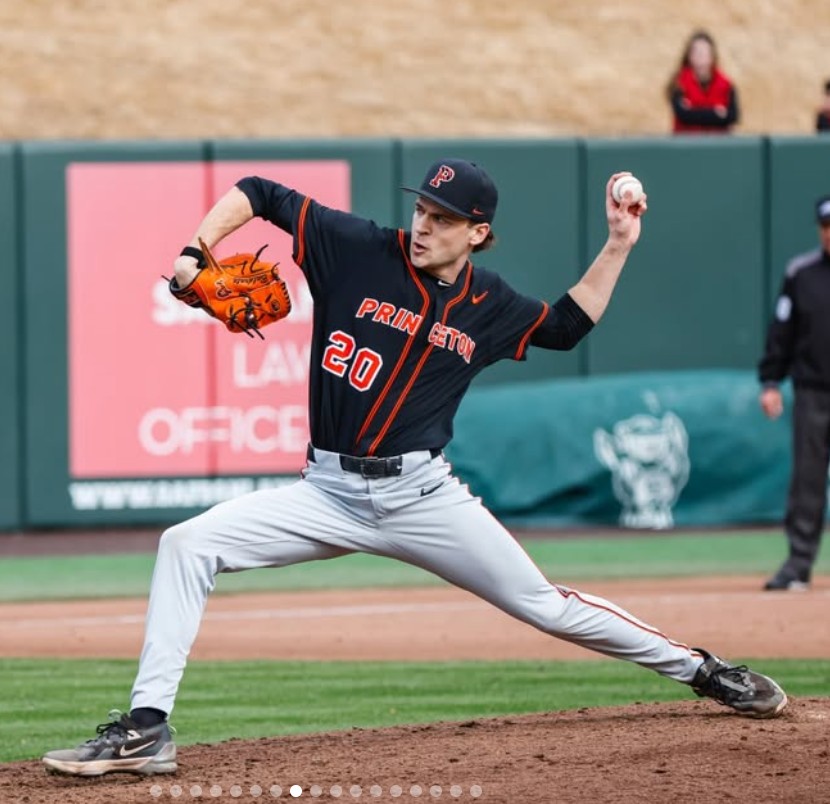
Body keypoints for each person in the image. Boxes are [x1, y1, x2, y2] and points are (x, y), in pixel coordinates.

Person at [43, 159, 787, 777]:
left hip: (421, 495)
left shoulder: (489, 303)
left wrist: (620, 242)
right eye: (423, 209)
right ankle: (147, 729)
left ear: (478, 232)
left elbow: (565, 326)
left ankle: (702, 670)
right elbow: (261, 192)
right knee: (186, 544)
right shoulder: (357, 248)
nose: (425, 224)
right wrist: (195, 251)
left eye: (443, 217)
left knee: (545, 605)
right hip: (326, 492)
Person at [759, 195, 830, 591]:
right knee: (807, 481)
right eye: (826, 227)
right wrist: (771, 382)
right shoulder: (801, 273)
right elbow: (781, 333)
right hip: (814, 392)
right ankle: (799, 564)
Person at [667, 30, 740, 134]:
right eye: (697, 52)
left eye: (705, 53)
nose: (701, 57)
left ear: (712, 56)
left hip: (717, 141)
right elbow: (684, 115)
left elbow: (733, 116)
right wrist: (716, 113)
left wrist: (694, 111)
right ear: (689, 56)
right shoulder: (678, 84)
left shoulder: (726, 85)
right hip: (687, 141)